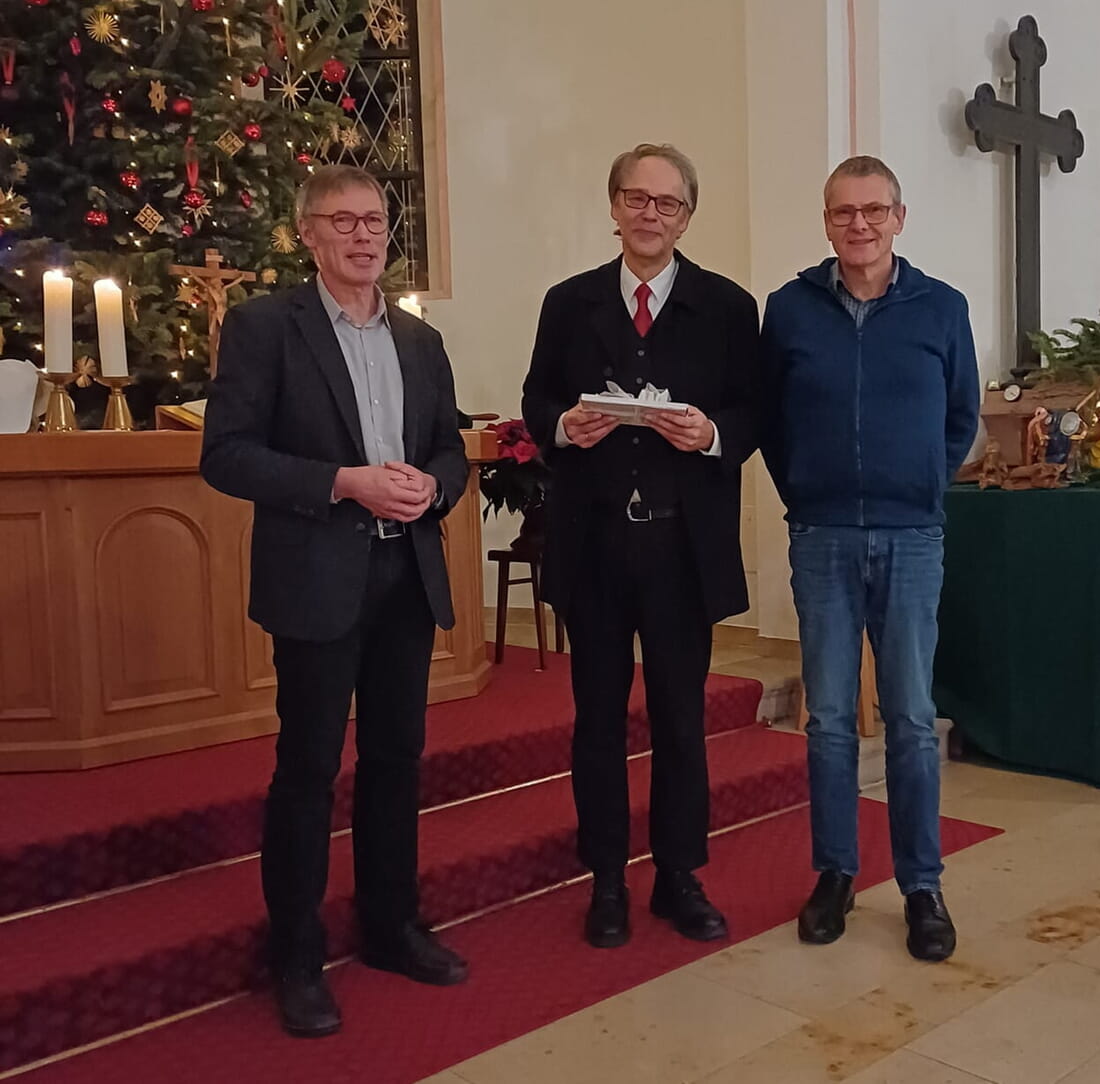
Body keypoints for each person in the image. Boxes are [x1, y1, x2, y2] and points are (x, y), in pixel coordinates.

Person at [201, 164, 469, 1037]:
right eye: (342, 222)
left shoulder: (420, 343)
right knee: (310, 771)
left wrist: (432, 487)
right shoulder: (264, 327)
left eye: (375, 221)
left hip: (405, 578)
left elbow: (450, 451)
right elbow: (228, 455)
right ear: (307, 235)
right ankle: (299, 957)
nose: (363, 236)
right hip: (317, 580)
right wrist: (344, 483)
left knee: (397, 763)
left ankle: (392, 927)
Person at [521, 143, 761, 949]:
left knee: (681, 721)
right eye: (636, 198)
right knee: (596, 720)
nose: (650, 214)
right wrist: (563, 425)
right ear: (614, 206)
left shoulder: (727, 307)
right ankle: (606, 880)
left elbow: (756, 411)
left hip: (680, 551)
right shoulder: (569, 301)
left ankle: (679, 875)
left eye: (668, 203)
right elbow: (536, 397)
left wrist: (714, 432)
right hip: (592, 549)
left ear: (688, 215)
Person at [761, 155, 979, 961]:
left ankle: (923, 884)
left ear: (899, 217)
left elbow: (960, 419)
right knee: (826, 722)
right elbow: (773, 423)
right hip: (821, 537)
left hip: (912, 537)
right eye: (844, 212)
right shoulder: (789, 309)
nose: (859, 224)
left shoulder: (941, 308)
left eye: (874, 210)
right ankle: (835, 873)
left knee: (914, 721)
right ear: (826, 222)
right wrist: (810, 491)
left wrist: (918, 486)